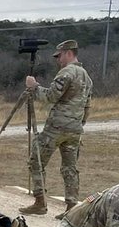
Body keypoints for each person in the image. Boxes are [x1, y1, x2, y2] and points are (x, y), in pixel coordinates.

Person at [24, 39, 93, 216]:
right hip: (74, 128)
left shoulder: (67, 73)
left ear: (69, 53)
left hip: (57, 127)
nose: (58, 59)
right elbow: (87, 106)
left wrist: (34, 87)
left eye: (60, 55)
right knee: (70, 168)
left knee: (36, 161)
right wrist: (79, 123)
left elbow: (51, 96)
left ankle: (40, 202)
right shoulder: (86, 76)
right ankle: (71, 207)